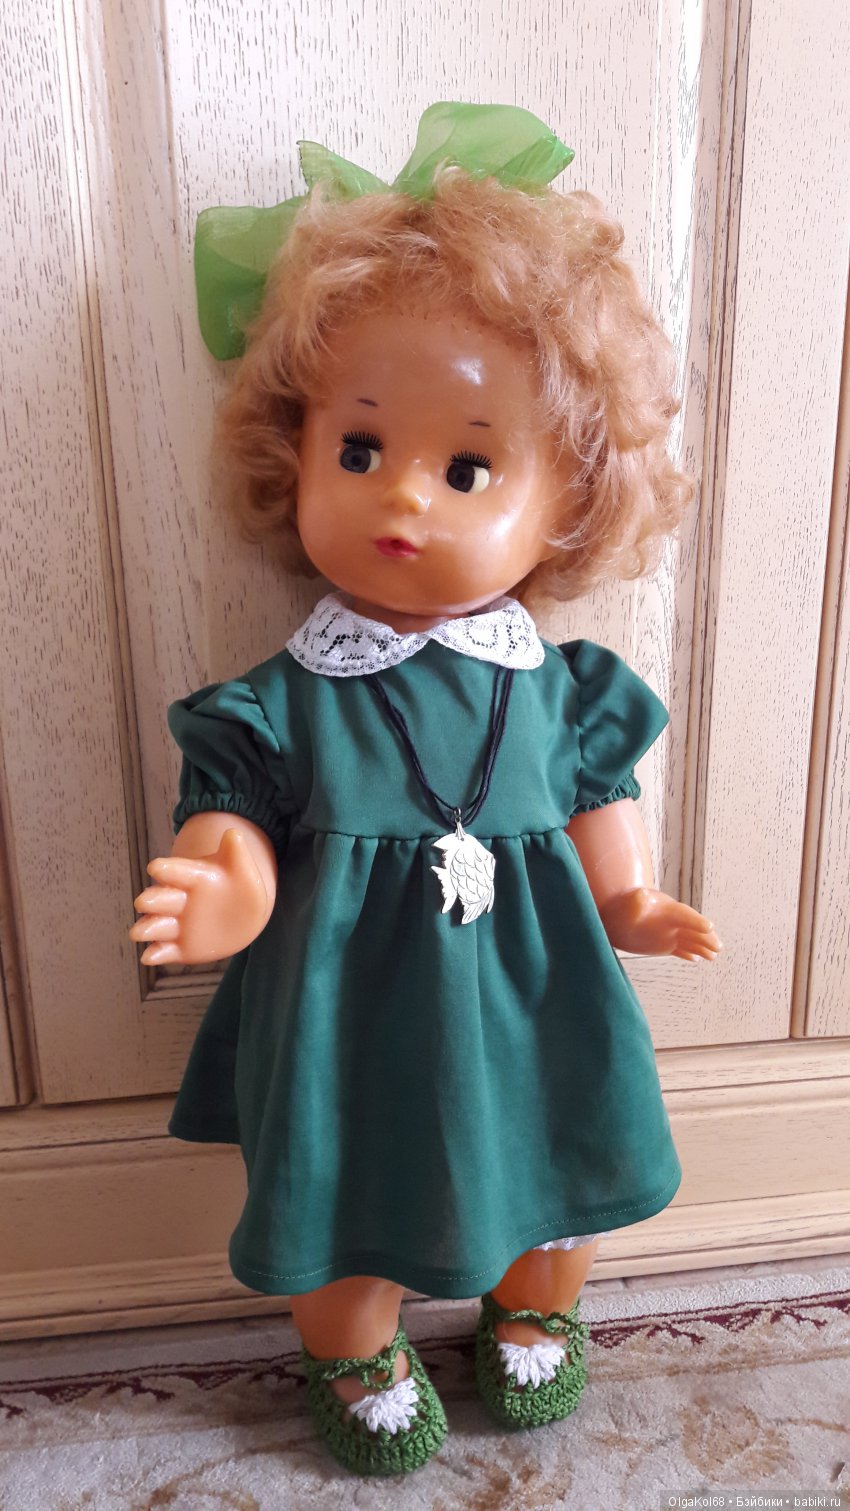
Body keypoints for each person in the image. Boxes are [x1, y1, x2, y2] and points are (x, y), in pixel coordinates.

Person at [130, 103, 723, 1477]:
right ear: (293, 452)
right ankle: (351, 1341)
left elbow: (598, 797)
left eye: (466, 467)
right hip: (347, 1009)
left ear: (567, 500)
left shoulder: (564, 689)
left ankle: (536, 1304)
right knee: (346, 1179)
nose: (404, 498)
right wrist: (227, 884)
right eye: (359, 451)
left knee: (554, 1155)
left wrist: (629, 896)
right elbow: (237, 815)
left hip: (535, 989)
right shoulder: (284, 700)